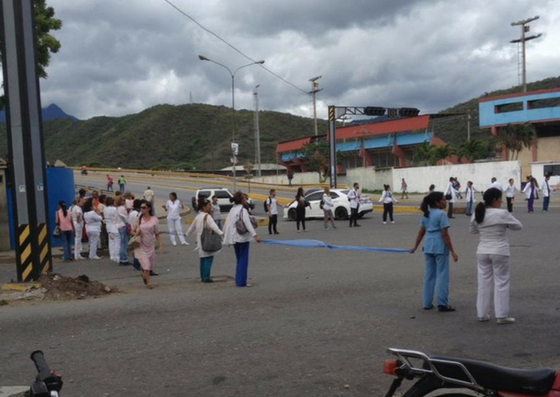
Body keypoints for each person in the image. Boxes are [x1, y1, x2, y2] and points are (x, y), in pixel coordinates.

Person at [470, 187, 522, 324]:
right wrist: (506, 226)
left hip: (482, 250)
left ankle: (482, 313)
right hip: (499, 250)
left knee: (483, 282)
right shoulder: (502, 214)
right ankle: (502, 315)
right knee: (501, 282)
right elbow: (518, 226)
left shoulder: (478, 213)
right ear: (495, 200)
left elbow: (473, 230)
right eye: (500, 199)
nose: (501, 202)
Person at [410, 192, 459, 312]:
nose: (445, 201)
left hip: (428, 246)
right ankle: (442, 303)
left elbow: (421, 232)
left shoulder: (426, 214)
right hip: (439, 246)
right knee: (442, 275)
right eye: (443, 200)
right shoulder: (441, 214)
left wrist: (415, 247)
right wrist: (452, 251)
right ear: (437, 202)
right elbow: (445, 235)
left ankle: (426, 303)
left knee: (429, 275)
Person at [223, 191, 262, 287]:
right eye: (244, 198)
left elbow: (227, 224)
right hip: (242, 238)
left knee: (239, 259)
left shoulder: (233, 209)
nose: (246, 200)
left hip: (234, 238)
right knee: (243, 260)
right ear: (241, 200)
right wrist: (255, 235)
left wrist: (225, 237)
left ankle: (239, 280)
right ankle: (241, 282)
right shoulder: (242, 210)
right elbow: (247, 223)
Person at [185, 199, 224, 283]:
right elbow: (214, 227)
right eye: (209, 205)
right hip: (207, 240)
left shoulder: (198, 216)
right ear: (204, 207)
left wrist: (187, 234)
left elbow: (192, 227)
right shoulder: (207, 217)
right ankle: (206, 278)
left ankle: (203, 276)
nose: (211, 207)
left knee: (202, 258)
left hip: (200, 240)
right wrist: (221, 233)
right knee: (208, 258)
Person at [131, 201, 164, 289]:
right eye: (141, 207)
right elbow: (131, 230)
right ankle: (148, 283)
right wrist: (136, 233)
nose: (142, 209)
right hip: (140, 245)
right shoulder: (138, 219)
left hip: (150, 245)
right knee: (146, 265)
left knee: (150, 265)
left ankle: (144, 275)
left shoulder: (154, 220)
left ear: (149, 209)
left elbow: (157, 233)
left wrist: (160, 245)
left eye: (144, 207)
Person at [103, 196, 121, 263]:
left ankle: (112, 256)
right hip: (115, 227)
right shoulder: (114, 209)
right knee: (117, 242)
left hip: (109, 227)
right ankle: (117, 256)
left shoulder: (105, 209)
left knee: (111, 242)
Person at [116, 195, 130, 265]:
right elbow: (126, 217)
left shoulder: (117, 208)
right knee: (124, 243)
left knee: (122, 242)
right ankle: (124, 258)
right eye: (123, 200)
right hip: (123, 225)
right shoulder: (122, 208)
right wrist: (128, 223)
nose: (125, 201)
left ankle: (122, 258)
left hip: (118, 226)